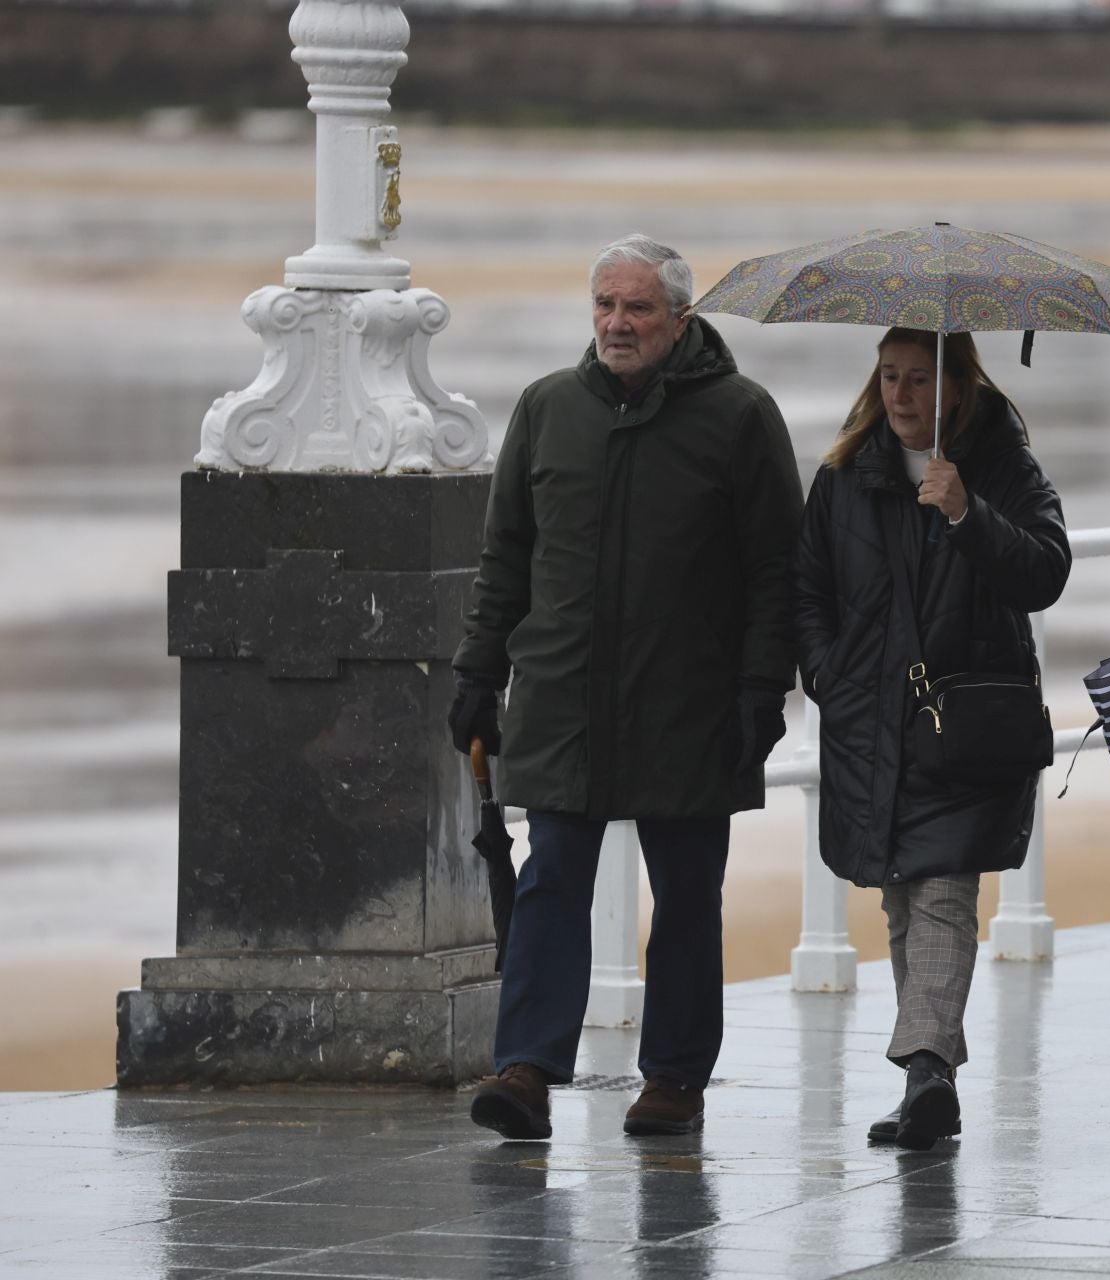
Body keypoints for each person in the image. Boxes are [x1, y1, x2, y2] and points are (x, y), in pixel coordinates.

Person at [449, 233, 804, 1141]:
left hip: (692, 704)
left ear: (679, 319)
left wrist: (764, 689)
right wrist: (478, 674)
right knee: (551, 880)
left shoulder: (740, 416)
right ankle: (524, 1069)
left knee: (688, 896)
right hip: (564, 699)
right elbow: (506, 560)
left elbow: (776, 569)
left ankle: (675, 1079)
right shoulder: (546, 410)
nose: (617, 323)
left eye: (637, 308)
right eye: (605, 305)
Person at [792, 327, 1069, 1151]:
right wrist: (826, 672)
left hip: (964, 724)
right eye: (889, 378)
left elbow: (1045, 572)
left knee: (944, 892)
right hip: (868, 724)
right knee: (903, 897)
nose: (901, 396)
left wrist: (965, 512)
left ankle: (924, 1069)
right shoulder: (845, 475)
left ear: (959, 390)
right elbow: (806, 586)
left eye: (919, 380)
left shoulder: (1003, 470)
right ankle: (931, 1072)